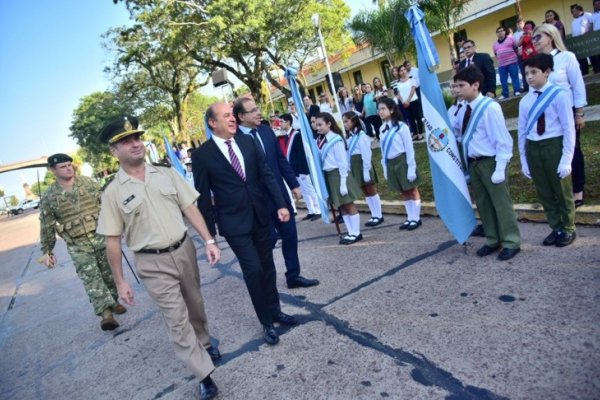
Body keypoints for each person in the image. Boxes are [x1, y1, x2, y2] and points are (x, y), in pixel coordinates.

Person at [96, 116, 220, 400]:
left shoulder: (166, 174)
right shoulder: (113, 192)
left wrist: (209, 240)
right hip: (151, 263)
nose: (135, 143)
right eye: (126, 141)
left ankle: (203, 341)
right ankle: (204, 374)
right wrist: (120, 282)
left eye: (137, 137)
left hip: (184, 249)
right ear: (114, 152)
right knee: (176, 319)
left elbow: (190, 208)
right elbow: (112, 240)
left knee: (195, 305)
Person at [193, 102, 299, 347]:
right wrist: (210, 237)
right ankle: (266, 322)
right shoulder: (203, 155)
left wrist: (281, 203)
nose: (232, 119)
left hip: (261, 216)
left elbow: (267, 175)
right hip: (234, 224)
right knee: (253, 270)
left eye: (233, 115)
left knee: (268, 267)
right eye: (227, 116)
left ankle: (276, 312)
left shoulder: (248, 142)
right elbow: (203, 197)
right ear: (212, 122)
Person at [233, 98, 320, 289]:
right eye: (253, 110)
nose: (258, 113)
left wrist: (293, 184)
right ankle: (264, 279)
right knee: (268, 239)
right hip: (257, 201)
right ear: (241, 116)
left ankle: (293, 276)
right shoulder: (235, 140)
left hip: (279, 195)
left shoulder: (266, 131)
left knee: (290, 234)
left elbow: (280, 160)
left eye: (257, 109)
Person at [39, 153, 125, 331]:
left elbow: (106, 205)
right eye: (63, 166)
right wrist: (47, 251)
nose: (69, 168)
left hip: (101, 236)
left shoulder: (88, 183)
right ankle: (106, 315)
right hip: (78, 245)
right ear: (53, 170)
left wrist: (117, 228)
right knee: (91, 279)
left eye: (70, 165)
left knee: (108, 273)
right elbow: (47, 225)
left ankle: (113, 301)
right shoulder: (49, 197)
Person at [454, 67, 521, 261]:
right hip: (474, 164)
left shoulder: (489, 107)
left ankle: (511, 241)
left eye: (461, 85)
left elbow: (502, 140)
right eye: (456, 85)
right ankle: (492, 239)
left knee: (501, 204)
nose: (457, 89)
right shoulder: (463, 109)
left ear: (475, 85)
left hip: (490, 162)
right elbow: (459, 133)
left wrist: (500, 167)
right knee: (483, 204)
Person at [518, 53, 577, 247]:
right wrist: (524, 160)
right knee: (544, 192)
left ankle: (568, 228)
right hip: (534, 148)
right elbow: (521, 132)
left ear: (547, 72)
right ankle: (556, 226)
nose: (529, 77)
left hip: (554, 145)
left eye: (534, 72)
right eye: (527, 73)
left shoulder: (559, 95)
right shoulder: (525, 101)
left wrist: (566, 159)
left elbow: (569, 128)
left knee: (562, 191)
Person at [533, 23, 587, 207]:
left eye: (537, 37)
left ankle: (577, 191)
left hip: (566, 110)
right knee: (554, 151)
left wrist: (579, 113)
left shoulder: (566, 57)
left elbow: (578, 86)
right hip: (546, 114)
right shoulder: (537, 61)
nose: (534, 42)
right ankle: (561, 190)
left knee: (573, 149)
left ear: (550, 36)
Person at [316, 112, 363, 244]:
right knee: (341, 207)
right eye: (316, 125)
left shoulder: (335, 139)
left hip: (339, 175)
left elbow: (343, 163)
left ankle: (356, 233)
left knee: (348, 204)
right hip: (330, 176)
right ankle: (350, 232)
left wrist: (343, 183)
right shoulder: (321, 140)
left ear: (329, 124)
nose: (317, 127)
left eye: (320, 124)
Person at [377, 98, 422, 231]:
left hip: (402, 160)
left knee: (411, 189)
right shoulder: (381, 128)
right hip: (391, 162)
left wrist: (411, 168)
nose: (380, 112)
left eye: (383, 109)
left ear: (391, 110)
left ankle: (416, 218)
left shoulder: (402, 127)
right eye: (379, 109)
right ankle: (410, 217)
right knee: (403, 190)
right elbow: (382, 150)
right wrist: (385, 167)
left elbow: (409, 148)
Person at [342, 111, 383, 226]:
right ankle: (373, 214)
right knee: (365, 191)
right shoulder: (349, 137)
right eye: (343, 121)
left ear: (354, 121)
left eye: (346, 121)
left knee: (371, 190)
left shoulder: (362, 136)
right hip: (355, 166)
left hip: (364, 164)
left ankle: (378, 215)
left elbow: (366, 154)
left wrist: (366, 169)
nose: (344, 124)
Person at [280, 113, 321, 221]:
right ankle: (311, 210)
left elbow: (301, 154)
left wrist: (303, 170)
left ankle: (318, 210)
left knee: (309, 189)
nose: (280, 125)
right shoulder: (287, 136)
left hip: (301, 169)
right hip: (295, 169)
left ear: (288, 122)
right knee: (304, 190)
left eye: (282, 122)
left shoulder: (296, 135)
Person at [394, 65, 425, 142]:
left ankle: (420, 133)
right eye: (401, 70)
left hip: (413, 101)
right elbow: (397, 93)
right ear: (399, 72)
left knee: (417, 117)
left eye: (404, 69)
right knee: (410, 119)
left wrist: (408, 100)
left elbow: (413, 89)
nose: (403, 71)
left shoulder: (411, 78)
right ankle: (414, 133)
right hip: (404, 103)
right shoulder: (398, 82)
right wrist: (403, 101)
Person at [492, 26, 522, 99]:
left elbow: (516, 49)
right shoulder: (494, 44)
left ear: (505, 32)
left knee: (514, 77)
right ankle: (505, 94)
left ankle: (516, 91)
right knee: (503, 80)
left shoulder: (511, 39)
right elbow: (496, 54)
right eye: (498, 32)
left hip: (512, 62)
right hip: (502, 65)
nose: (500, 33)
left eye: (502, 31)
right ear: (496, 34)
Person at [570, 4, 593, 76]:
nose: (572, 14)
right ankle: (585, 70)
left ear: (578, 11)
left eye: (573, 12)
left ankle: (597, 68)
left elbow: (592, 24)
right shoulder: (573, 21)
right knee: (581, 56)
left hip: (588, 38)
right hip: (578, 41)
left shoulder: (588, 15)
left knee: (591, 53)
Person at [516, 20, 538, 92]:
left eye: (528, 27)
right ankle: (528, 87)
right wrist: (522, 38)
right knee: (527, 71)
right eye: (525, 28)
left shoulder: (535, 34)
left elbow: (536, 42)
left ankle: (537, 84)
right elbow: (518, 45)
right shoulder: (523, 35)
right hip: (525, 55)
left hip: (534, 54)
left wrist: (531, 35)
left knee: (536, 69)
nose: (527, 29)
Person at [590, 0, 600, 73]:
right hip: (596, 36)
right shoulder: (592, 15)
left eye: (599, 4)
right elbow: (591, 26)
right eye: (596, 4)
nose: (597, 5)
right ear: (593, 6)